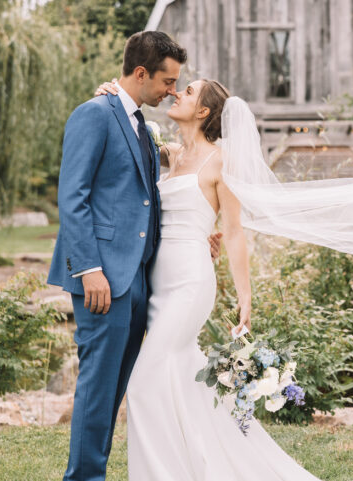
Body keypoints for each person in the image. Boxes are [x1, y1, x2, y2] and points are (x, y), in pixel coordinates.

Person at [94, 77, 325, 480]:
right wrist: (110, 96)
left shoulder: (221, 161)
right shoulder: (169, 153)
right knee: (182, 379)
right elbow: (124, 139)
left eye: (187, 92)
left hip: (190, 282)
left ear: (203, 111)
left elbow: (233, 231)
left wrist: (245, 297)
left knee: (144, 383)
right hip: (157, 283)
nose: (176, 92)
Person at [48, 32, 221, 481]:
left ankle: (96, 471)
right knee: (97, 387)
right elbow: (73, 197)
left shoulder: (141, 126)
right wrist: (89, 269)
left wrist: (196, 235)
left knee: (114, 389)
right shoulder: (94, 114)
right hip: (102, 279)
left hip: (140, 280)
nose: (172, 91)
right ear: (141, 73)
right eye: (167, 81)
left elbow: (146, 201)